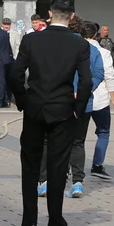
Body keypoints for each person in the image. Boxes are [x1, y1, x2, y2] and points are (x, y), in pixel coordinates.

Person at [9, 0, 92, 226]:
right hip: (63, 110)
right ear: (72, 16)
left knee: (30, 166)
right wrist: (78, 108)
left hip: (35, 108)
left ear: (49, 13)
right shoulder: (79, 44)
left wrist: (23, 101)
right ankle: (55, 224)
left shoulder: (32, 39)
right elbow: (86, 81)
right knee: (58, 167)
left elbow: (15, 74)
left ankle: (28, 224)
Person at [39, 16, 103, 198]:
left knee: (48, 141)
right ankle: (77, 183)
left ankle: (45, 181)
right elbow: (99, 73)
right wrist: (83, 90)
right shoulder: (92, 49)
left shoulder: (56, 47)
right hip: (83, 102)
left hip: (57, 100)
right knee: (77, 142)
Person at [85, 21, 114, 180]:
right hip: (101, 99)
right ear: (95, 35)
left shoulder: (74, 49)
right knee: (103, 132)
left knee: (76, 137)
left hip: (80, 98)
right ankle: (97, 165)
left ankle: (70, 167)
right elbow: (109, 76)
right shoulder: (103, 52)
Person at [0, 17, 14, 108]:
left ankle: (0, 101)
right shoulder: (5, 33)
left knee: (0, 82)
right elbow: (8, 47)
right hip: (7, 60)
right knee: (5, 81)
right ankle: (6, 100)